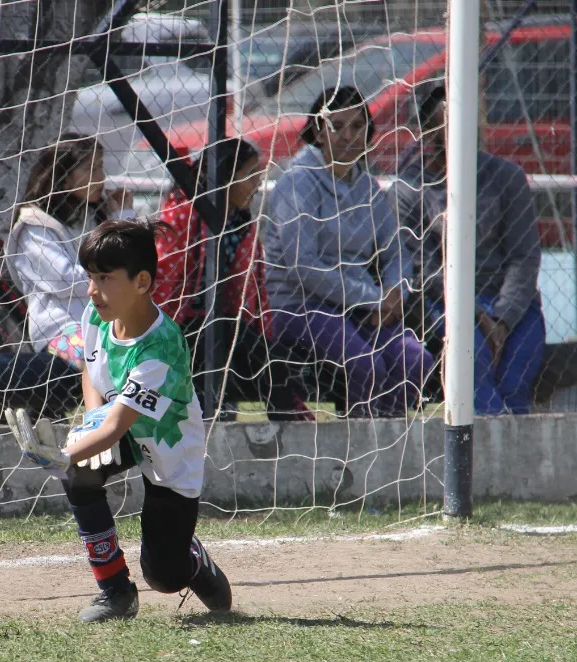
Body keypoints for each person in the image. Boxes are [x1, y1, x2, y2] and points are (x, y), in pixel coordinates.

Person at [4, 219, 231, 623]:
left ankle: (193, 558)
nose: (92, 290)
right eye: (91, 276)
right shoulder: (97, 316)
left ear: (141, 282)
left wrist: (64, 453)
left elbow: (115, 429)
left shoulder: (160, 347)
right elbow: (90, 369)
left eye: (105, 278)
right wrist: (89, 421)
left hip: (169, 447)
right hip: (121, 425)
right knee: (79, 476)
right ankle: (116, 592)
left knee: (164, 575)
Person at [264, 86, 435, 418]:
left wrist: (395, 292)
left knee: (416, 360)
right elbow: (304, 267)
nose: (348, 136)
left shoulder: (367, 186)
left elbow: (395, 251)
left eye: (357, 126)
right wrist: (374, 299)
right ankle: (359, 443)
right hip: (300, 305)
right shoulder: (297, 182)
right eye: (337, 126)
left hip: (362, 304)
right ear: (318, 131)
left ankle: (388, 437)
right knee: (365, 364)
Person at [396, 85, 546, 415]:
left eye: (467, 119)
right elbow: (424, 270)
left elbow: (524, 257)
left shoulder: (507, 178)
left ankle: (512, 441)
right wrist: (477, 315)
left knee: (515, 380)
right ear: (427, 131)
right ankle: (492, 442)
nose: (461, 130)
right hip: (446, 306)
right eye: (447, 123)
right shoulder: (409, 189)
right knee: (472, 365)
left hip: (511, 308)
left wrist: (501, 319)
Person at [153, 136, 310, 419]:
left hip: (222, 329)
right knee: (228, 341)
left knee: (262, 353)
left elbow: (254, 293)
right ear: (224, 178)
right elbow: (161, 282)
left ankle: (288, 420)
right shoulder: (183, 213)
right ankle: (291, 418)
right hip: (175, 330)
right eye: (249, 175)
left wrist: (263, 335)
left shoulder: (240, 222)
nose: (257, 184)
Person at [6, 135, 134, 370]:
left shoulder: (94, 216)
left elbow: (134, 260)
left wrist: (122, 217)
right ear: (64, 179)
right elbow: (65, 280)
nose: (101, 177)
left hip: (106, 321)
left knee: (154, 349)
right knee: (100, 359)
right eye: (90, 169)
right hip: (62, 328)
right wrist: (114, 273)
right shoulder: (35, 227)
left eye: (100, 167)